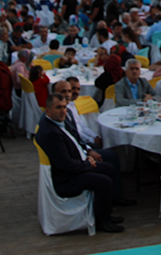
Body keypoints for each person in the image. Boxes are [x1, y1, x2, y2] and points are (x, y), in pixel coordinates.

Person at [35, 93, 129, 233]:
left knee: (109, 168)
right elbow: (65, 165)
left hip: (76, 164)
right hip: (66, 178)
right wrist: (87, 164)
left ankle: (106, 210)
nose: (63, 111)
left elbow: (74, 144)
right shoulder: (51, 133)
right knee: (104, 182)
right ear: (48, 111)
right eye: (58, 108)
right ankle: (102, 221)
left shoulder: (58, 123)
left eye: (64, 107)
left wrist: (86, 155)